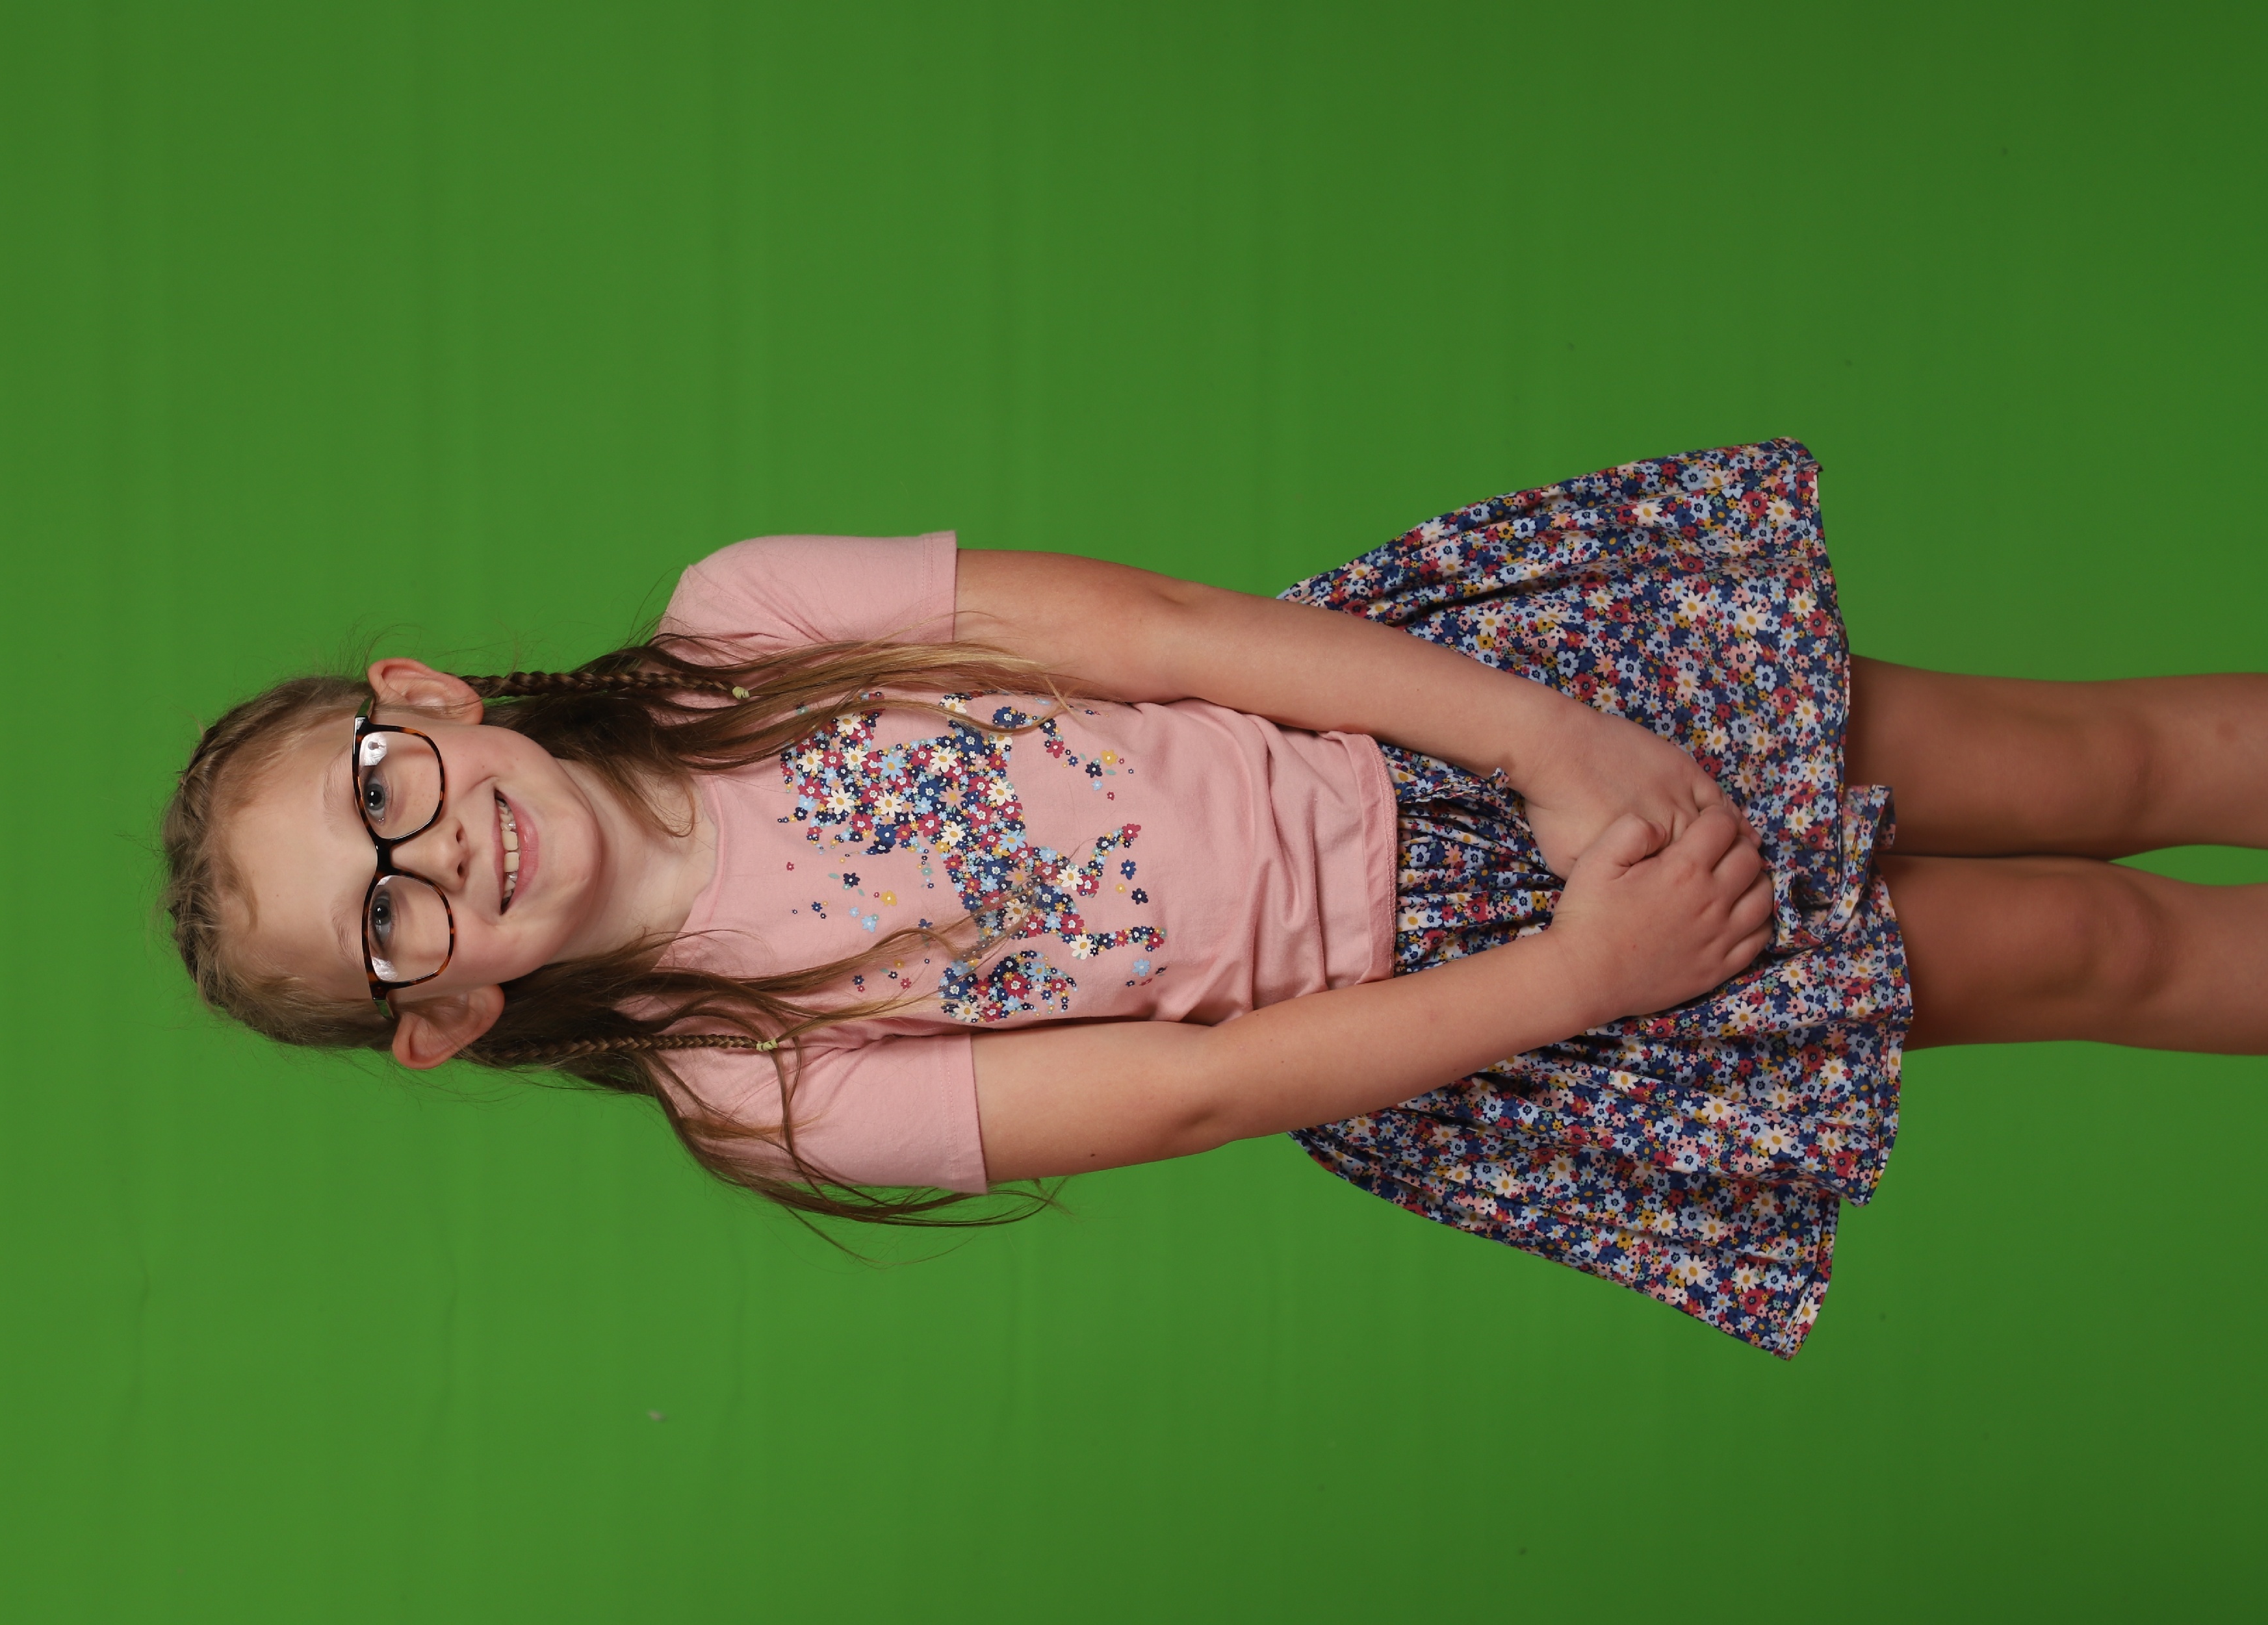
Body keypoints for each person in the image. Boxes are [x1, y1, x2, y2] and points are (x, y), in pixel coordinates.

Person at [159, 441, 2268, 1355]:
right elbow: (1206, 1089)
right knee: (2079, 944)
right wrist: (1591, 967)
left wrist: (1547, 744)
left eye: (379, 792)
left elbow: (1165, 631)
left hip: (1461, 728)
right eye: (385, 919)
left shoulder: (751, 617)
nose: (438, 853)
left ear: (420, 698)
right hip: (1495, 983)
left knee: (2087, 766)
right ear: (440, 1017)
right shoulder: (760, 1087)